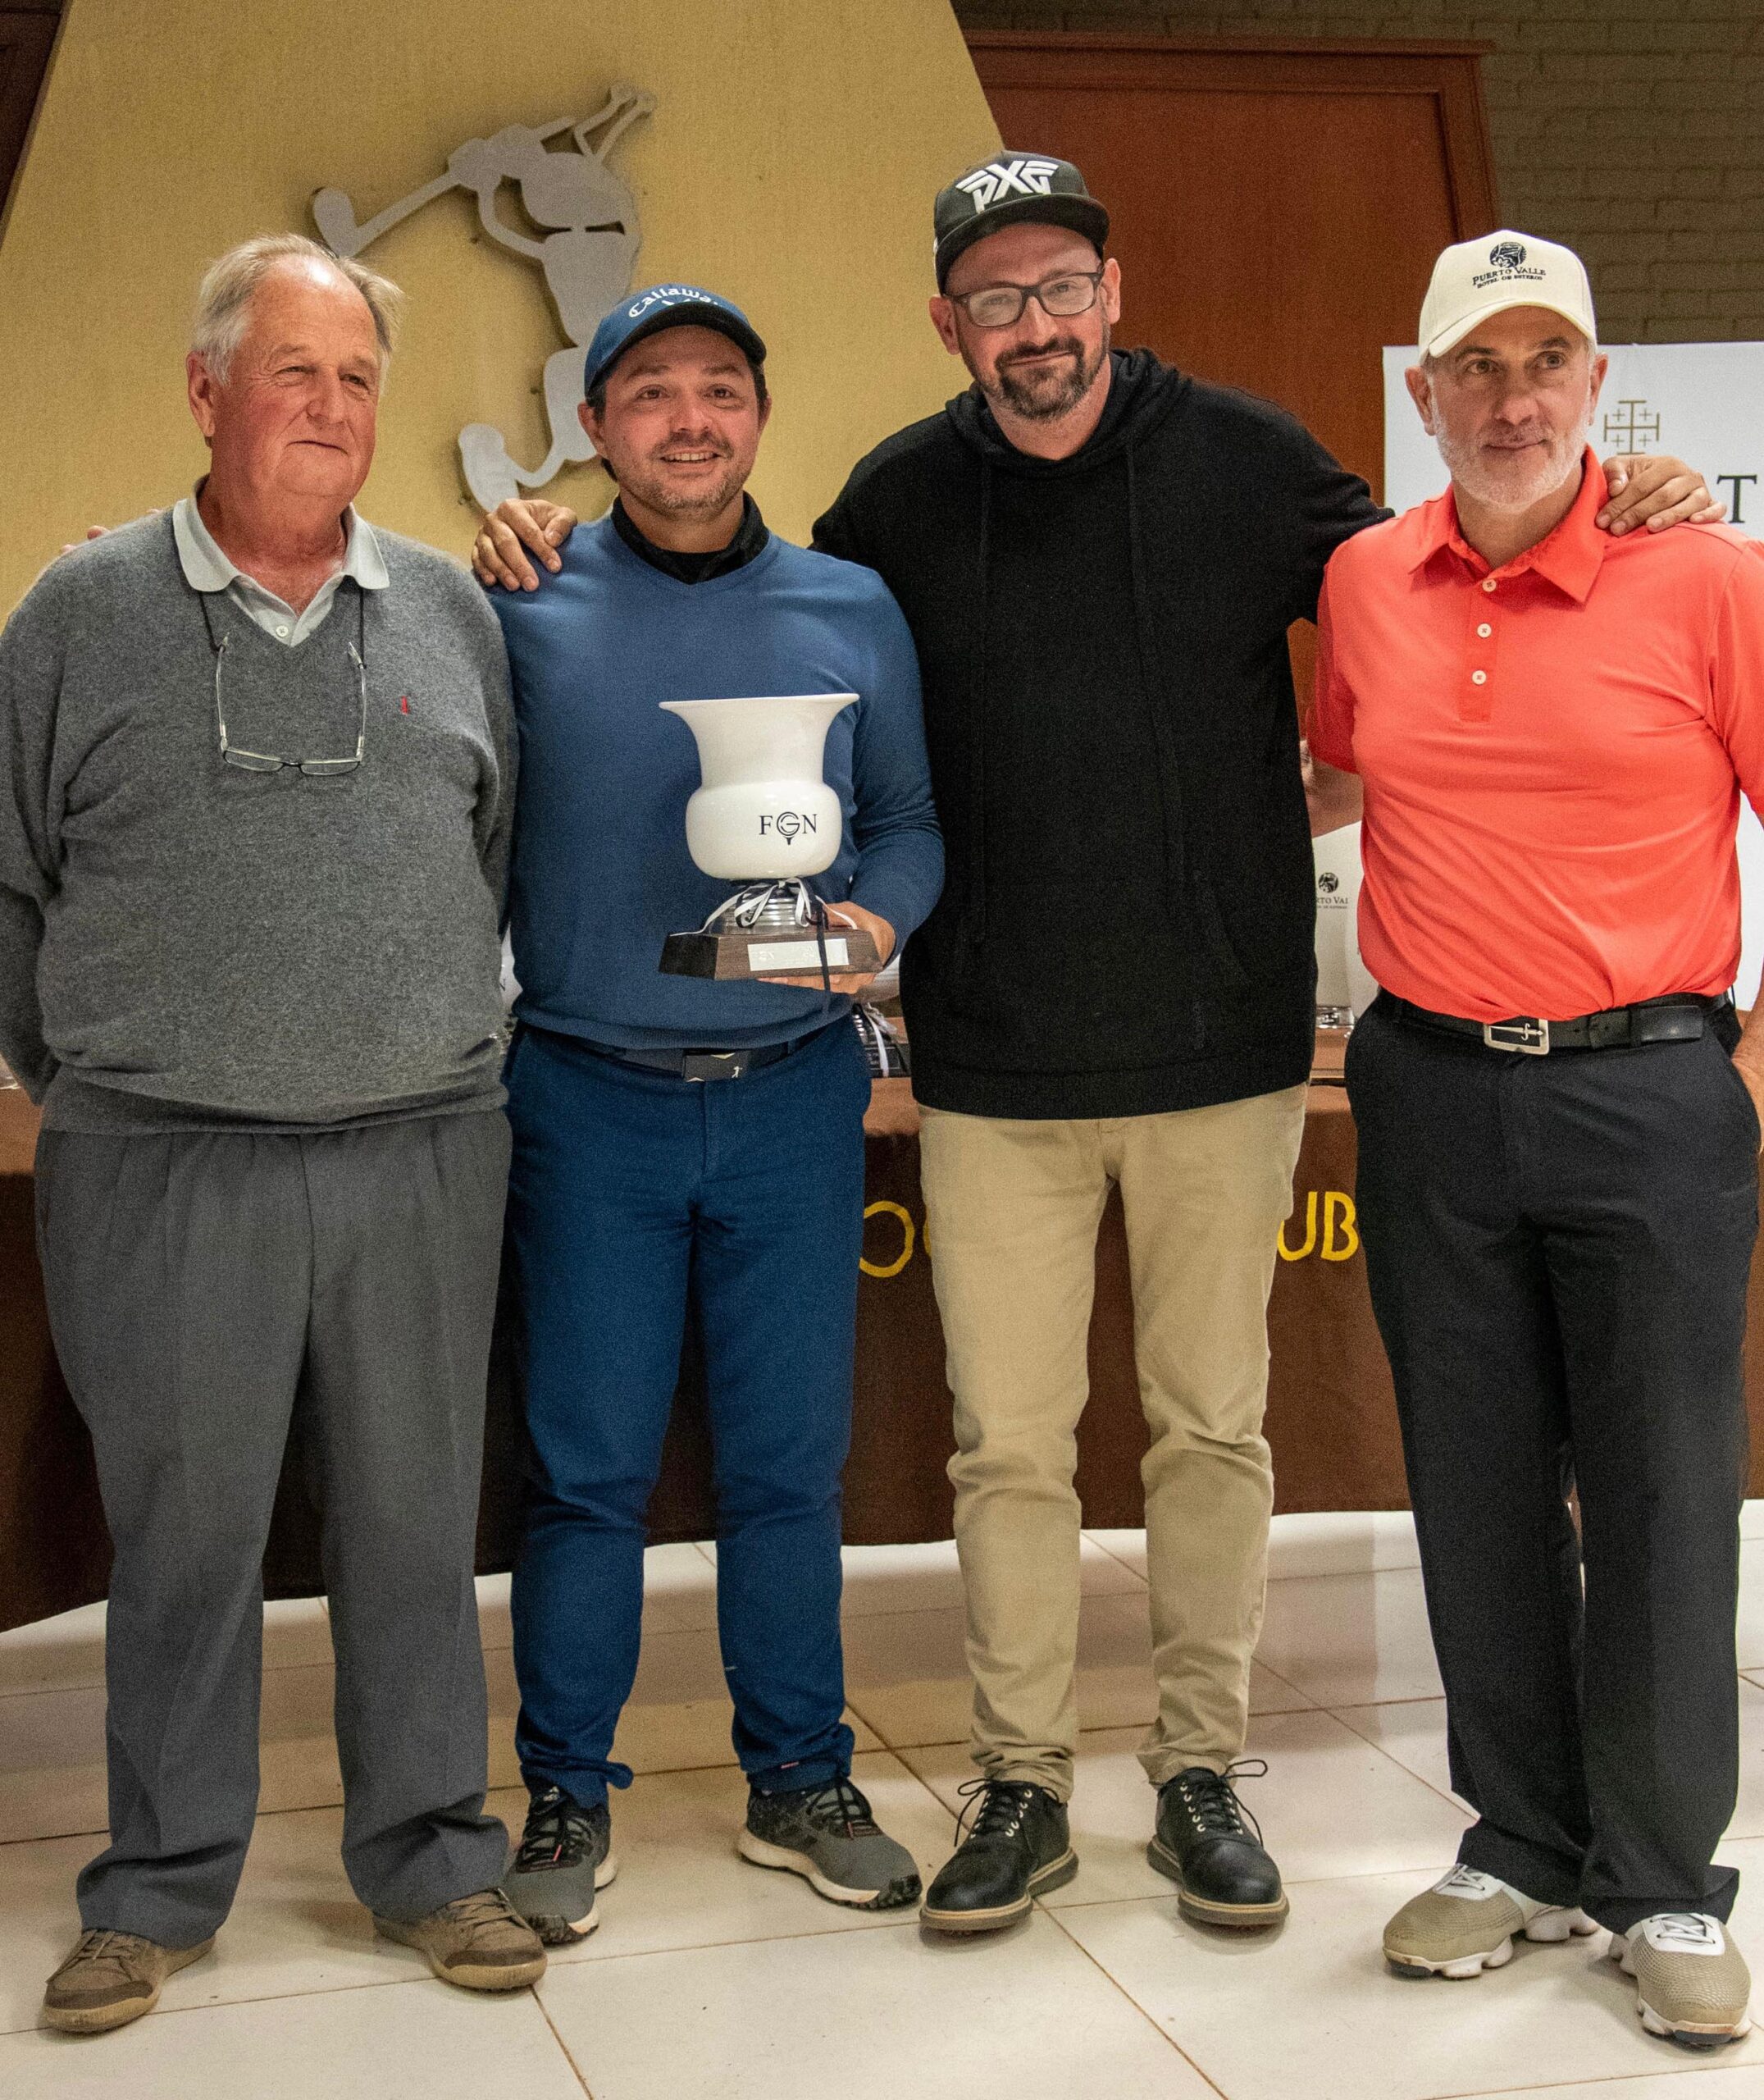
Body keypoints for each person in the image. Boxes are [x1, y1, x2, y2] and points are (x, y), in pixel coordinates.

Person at [470, 164, 1714, 1940]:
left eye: (1059, 286)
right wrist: (534, 534)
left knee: (1210, 1428)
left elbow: (1445, 576)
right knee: (1006, 1445)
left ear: (1110, 291)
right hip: (985, 1065)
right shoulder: (888, 503)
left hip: (1217, 1053)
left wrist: (1634, 492)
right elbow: (808, 697)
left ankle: (1199, 1764)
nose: (1033, 325)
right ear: (946, 323)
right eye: (994, 297)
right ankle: (1025, 1773)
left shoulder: (1257, 460)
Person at [0, 234, 545, 2034]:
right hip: (158, 1161)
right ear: (207, 386)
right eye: (295, 372)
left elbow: (490, 857)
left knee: (413, 1523)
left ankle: (435, 1855)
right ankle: (155, 1889)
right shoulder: (75, 614)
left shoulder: (452, 613)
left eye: (360, 380)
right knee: (181, 1534)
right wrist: (115, 1074)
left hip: (417, 1150)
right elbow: (12, 888)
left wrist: (398, 1038)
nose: (329, 409)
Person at [1309, 232, 1763, 2050]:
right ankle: (1516, 1837)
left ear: (1592, 388)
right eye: (1472, 369)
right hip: (1423, 1083)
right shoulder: (1360, 578)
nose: (1508, 398)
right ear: (1420, 396)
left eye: (1542, 363)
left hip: (1646, 1081)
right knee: (1473, 1472)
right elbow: (1342, 773)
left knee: (1658, 1481)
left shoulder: (1709, 577)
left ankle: (1659, 1876)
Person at [483, 285, 943, 1944]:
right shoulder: (517, 603)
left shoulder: (851, 604)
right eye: (653, 393)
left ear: (758, 415)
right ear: (597, 425)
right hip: (584, 1095)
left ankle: (798, 1773)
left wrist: (874, 931)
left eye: (722, 390)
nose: (690, 420)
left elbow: (901, 824)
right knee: (585, 1469)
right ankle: (563, 1783)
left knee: (782, 1465)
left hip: (791, 1095)